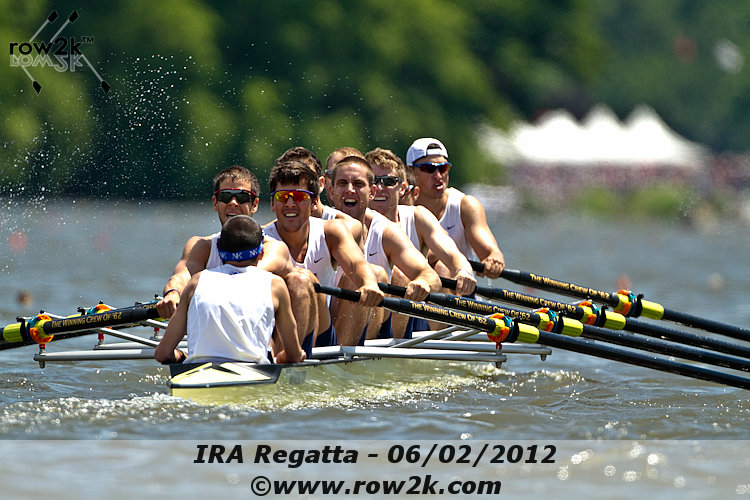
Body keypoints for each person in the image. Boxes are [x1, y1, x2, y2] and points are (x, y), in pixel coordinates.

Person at [156, 165, 319, 356]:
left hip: (278, 337)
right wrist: (174, 293)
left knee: (300, 279)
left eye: (242, 197)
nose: (233, 203)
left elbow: (250, 275)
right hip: (230, 345)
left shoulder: (273, 247)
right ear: (215, 203)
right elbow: (182, 275)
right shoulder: (201, 245)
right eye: (226, 196)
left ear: (255, 204)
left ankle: (286, 358)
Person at [154, 215, 306, 365]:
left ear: (220, 251)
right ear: (261, 253)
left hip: (197, 372)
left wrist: (184, 357)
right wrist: (279, 360)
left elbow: (162, 354)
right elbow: (293, 355)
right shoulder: (275, 284)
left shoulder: (196, 282)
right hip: (253, 373)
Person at [263, 160, 384, 346]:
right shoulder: (261, 239)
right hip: (276, 333)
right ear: (272, 203)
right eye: (283, 196)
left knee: (355, 278)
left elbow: (357, 264)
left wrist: (369, 283)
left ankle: (342, 361)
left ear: (314, 203)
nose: (290, 203)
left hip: (322, 333)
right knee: (300, 279)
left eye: (299, 197)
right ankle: (286, 354)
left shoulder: (331, 231)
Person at [329, 155, 442, 339]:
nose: (350, 190)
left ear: (371, 192)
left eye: (358, 184)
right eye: (342, 184)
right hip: (325, 324)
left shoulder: (386, 231)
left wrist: (422, 282)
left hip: (371, 331)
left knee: (386, 276)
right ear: (331, 190)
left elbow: (431, 276)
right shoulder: (315, 224)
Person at [406, 138, 506, 278]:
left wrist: (494, 259)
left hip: (458, 286)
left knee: (443, 268)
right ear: (410, 171)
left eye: (443, 168)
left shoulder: (466, 206)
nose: (438, 175)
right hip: (411, 285)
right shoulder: (400, 207)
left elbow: (489, 251)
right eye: (429, 168)